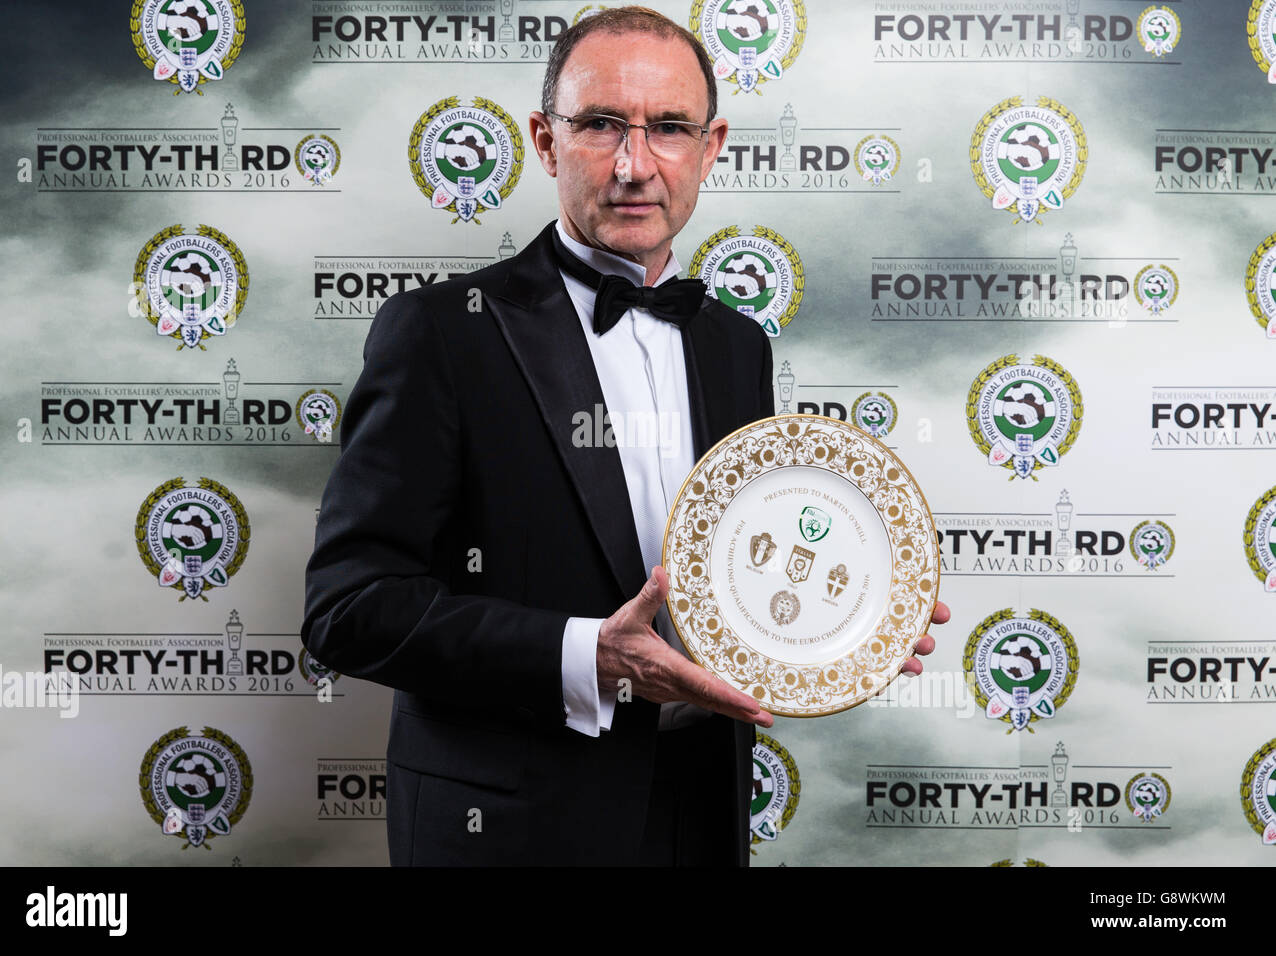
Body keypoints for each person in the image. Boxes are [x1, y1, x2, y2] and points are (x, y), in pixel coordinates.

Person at [302, 5, 947, 866]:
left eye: (669, 128)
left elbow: (743, 569)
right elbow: (348, 610)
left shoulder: (736, 344)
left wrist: (854, 621)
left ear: (711, 147)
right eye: (603, 125)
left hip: (701, 817)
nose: (636, 166)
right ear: (543, 139)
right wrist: (590, 657)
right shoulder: (440, 332)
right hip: (507, 834)